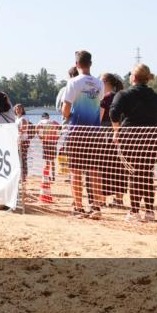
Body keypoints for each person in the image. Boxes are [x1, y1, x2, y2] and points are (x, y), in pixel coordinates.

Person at [110, 64, 157, 222]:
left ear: (133, 78)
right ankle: (149, 211)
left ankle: (134, 211)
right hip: (152, 139)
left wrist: (116, 131)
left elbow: (113, 112)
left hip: (131, 138)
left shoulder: (123, 95)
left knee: (134, 173)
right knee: (147, 173)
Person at [63, 51, 105, 219]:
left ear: (76, 64)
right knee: (94, 170)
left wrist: (67, 116)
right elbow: (99, 107)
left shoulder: (73, 82)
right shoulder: (100, 83)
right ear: (90, 63)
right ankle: (96, 207)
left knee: (75, 171)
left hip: (77, 131)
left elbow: (66, 109)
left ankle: (78, 208)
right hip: (94, 132)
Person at [99, 73, 128, 207]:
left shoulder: (106, 98)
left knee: (104, 166)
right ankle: (119, 199)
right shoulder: (122, 96)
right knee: (119, 166)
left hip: (106, 134)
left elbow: (99, 117)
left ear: (106, 83)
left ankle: (102, 199)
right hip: (121, 133)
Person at [36, 112, 61, 182]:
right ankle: (53, 176)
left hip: (46, 142)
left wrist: (40, 136)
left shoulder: (42, 121)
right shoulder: (54, 122)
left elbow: (36, 127)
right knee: (52, 160)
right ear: (48, 117)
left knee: (47, 161)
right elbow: (60, 128)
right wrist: (58, 137)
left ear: (42, 117)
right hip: (53, 143)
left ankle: (47, 176)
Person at [14, 104, 31, 181]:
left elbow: (23, 130)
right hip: (18, 141)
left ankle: (24, 176)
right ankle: (21, 176)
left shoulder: (23, 118)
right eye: (17, 109)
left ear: (23, 109)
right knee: (18, 159)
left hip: (23, 141)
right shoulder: (16, 118)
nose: (18, 110)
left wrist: (14, 130)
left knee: (23, 159)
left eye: (20, 109)